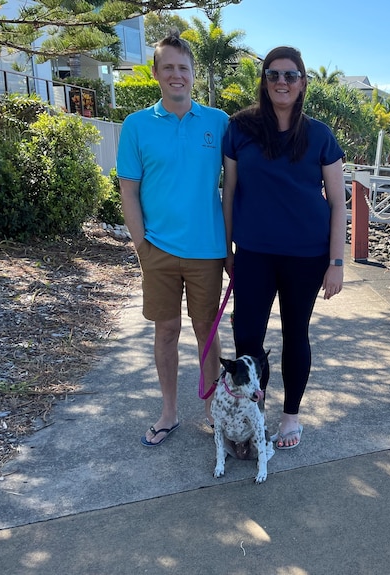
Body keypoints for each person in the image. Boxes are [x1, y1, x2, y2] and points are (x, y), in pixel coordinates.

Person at [221, 46, 346, 450]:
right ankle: (251, 413)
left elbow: (339, 201)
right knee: (247, 338)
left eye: (290, 76)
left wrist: (337, 262)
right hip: (254, 253)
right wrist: (227, 250)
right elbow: (229, 193)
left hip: (306, 257)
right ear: (264, 80)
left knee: (296, 334)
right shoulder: (240, 128)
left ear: (303, 83)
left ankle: (290, 417)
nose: (281, 82)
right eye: (273, 74)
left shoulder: (320, 135)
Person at [116, 32, 228, 446]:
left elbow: (232, 188)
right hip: (158, 249)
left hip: (208, 251)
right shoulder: (137, 125)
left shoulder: (219, 123)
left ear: (193, 73)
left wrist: (231, 246)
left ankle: (211, 410)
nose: (176, 75)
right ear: (156, 73)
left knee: (206, 331)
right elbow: (129, 190)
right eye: (169, 68)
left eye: (184, 68)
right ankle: (169, 412)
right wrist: (141, 245)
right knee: (165, 330)